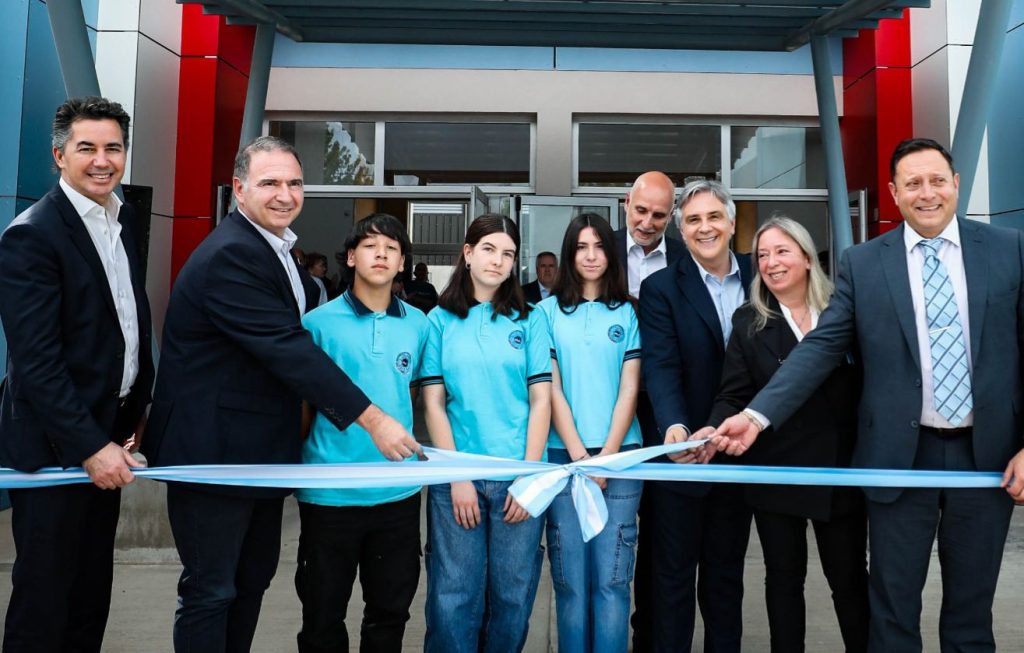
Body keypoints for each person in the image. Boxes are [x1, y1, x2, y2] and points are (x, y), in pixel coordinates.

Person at [713, 138, 1024, 652]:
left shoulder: (1008, 249)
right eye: (913, 184)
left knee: (971, 614)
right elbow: (819, 349)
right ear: (894, 193)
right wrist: (757, 415)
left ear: (956, 184)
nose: (927, 193)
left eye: (937, 180)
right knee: (893, 610)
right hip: (899, 460)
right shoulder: (864, 264)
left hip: (985, 457)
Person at [142, 136, 421, 652]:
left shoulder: (277, 251)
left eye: (294, 182)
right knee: (212, 591)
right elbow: (288, 350)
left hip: (259, 456)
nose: (285, 194)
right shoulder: (232, 254)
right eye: (270, 182)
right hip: (214, 456)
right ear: (239, 188)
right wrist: (373, 419)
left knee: (248, 585)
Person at [0, 96, 153, 653]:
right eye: (86, 148)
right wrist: (91, 446)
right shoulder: (32, 234)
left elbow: (126, 323)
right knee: (45, 599)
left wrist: (131, 418)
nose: (102, 160)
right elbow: (36, 363)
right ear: (58, 155)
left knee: (90, 594)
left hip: (107, 437)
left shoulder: (122, 217)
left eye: (113, 147)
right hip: (56, 448)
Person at [701, 216, 869, 652]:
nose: (772, 263)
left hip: (840, 472)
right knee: (783, 581)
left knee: (849, 581)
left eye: (782, 251)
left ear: (808, 258)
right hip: (775, 469)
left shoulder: (845, 311)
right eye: (763, 255)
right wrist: (714, 426)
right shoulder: (748, 322)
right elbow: (732, 393)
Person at [295, 213, 429, 653]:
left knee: (389, 616)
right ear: (351, 257)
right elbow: (304, 405)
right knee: (321, 616)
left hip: (397, 494)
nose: (382, 255)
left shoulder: (419, 325)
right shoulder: (317, 323)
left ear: (403, 263)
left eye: (392, 249)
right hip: (330, 493)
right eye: (371, 246)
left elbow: (419, 395)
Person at [420, 214, 552, 653]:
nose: (498, 261)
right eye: (490, 249)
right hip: (457, 478)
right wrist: (457, 475)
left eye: (508, 254)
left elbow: (540, 401)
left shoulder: (530, 320)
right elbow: (434, 403)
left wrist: (531, 477)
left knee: (513, 595)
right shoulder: (438, 321)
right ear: (468, 252)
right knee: (454, 595)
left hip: (518, 477)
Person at [638, 179, 754, 652]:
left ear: (730, 223)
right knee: (672, 581)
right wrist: (677, 432)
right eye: (692, 220)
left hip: (743, 452)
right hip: (683, 457)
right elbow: (661, 367)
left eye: (712, 217)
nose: (704, 228)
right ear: (681, 232)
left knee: (726, 582)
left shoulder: (760, 274)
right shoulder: (660, 287)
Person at [538, 213, 642, 653]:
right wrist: (581, 457)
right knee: (571, 584)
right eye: (582, 247)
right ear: (569, 253)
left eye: (599, 246)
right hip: (564, 460)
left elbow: (630, 387)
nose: (591, 255)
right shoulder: (543, 313)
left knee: (612, 582)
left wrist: (608, 454)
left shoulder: (630, 311)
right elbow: (551, 389)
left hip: (620, 461)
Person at [613, 170, 686, 652]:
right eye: (641, 211)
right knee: (612, 540)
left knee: (662, 539)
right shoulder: (596, 249)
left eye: (659, 215)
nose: (647, 222)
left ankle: (651, 637)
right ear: (626, 204)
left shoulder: (685, 256)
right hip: (606, 416)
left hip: (665, 419)